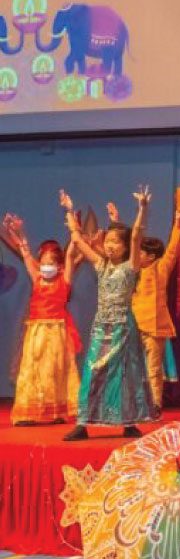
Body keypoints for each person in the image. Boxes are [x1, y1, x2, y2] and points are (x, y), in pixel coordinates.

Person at [61, 187, 158, 441]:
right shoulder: (101, 265)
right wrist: (69, 211)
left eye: (116, 242)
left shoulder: (131, 267)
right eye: (108, 241)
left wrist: (143, 208)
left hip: (123, 328)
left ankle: (129, 422)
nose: (110, 245)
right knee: (91, 372)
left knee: (126, 374)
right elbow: (78, 240)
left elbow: (136, 235)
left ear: (125, 248)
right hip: (101, 327)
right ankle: (83, 423)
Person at [1, 215, 80, 426]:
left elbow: (71, 254)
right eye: (43, 263)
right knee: (32, 369)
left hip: (57, 331)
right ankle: (29, 413)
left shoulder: (65, 279)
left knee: (55, 370)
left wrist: (74, 229)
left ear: (59, 266)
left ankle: (57, 412)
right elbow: (26, 252)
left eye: (50, 263)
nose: (45, 267)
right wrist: (19, 232)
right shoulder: (36, 277)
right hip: (37, 331)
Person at [130, 198, 180, 412]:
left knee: (153, 367)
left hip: (154, 326)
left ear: (151, 256)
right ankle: (135, 404)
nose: (137, 255)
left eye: (141, 253)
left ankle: (154, 404)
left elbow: (172, 250)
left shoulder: (160, 268)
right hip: (134, 325)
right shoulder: (133, 272)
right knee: (133, 368)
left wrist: (178, 223)